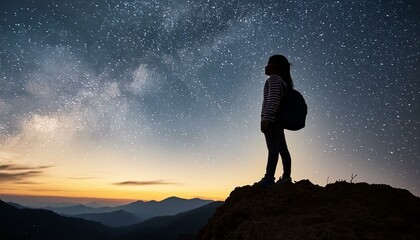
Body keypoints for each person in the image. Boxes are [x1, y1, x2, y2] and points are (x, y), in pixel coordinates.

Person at [257, 54, 294, 187]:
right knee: (283, 149)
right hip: (278, 121)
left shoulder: (274, 79)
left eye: (268, 63)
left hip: (272, 120)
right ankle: (286, 177)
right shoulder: (282, 82)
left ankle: (269, 179)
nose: (265, 66)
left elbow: (272, 100)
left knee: (273, 149)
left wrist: (266, 119)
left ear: (275, 66)